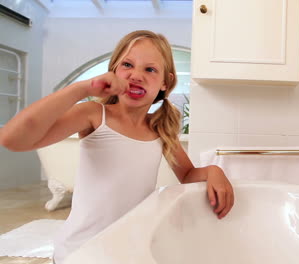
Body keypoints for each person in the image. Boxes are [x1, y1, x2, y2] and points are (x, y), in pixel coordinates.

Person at [0, 30, 235, 264]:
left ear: (166, 82)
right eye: (127, 65)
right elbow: (13, 139)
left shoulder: (159, 129)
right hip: (80, 251)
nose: (136, 75)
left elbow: (187, 174)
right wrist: (83, 89)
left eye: (150, 69)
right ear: (113, 72)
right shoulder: (93, 115)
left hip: (125, 249)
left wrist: (214, 171)